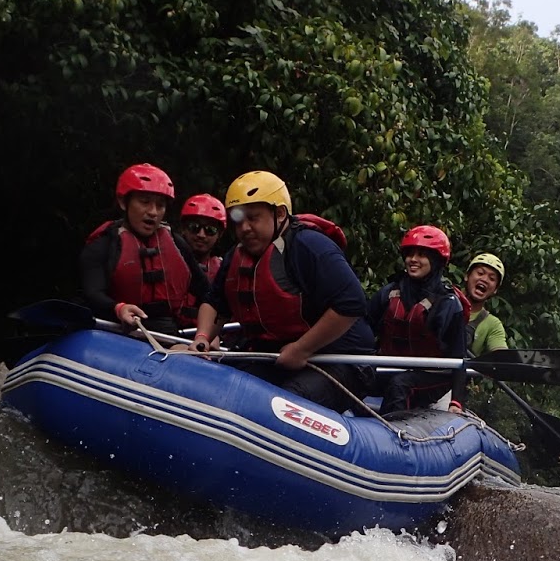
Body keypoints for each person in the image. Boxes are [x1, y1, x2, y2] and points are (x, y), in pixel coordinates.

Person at [193, 170, 375, 413]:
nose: (244, 228)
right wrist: (203, 338)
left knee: (284, 404)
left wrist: (302, 348)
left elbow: (352, 303)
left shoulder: (310, 246)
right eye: (238, 220)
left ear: (279, 213)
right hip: (276, 356)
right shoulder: (237, 256)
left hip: (338, 360)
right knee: (221, 387)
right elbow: (215, 302)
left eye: (253, 218)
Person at [79, 163, 208, 334]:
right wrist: (118, 308)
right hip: (114, 330)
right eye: (145, 202)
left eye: (160, 205)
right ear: (124, 202)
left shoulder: (177, 244)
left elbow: (207, 293)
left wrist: (207, 332)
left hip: (165, 334)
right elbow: (92, 292)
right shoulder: (103, 245)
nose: (153, 212)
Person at [365, 225, 469, 413]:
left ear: (436, 261)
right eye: (410, 254)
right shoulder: (389, 293)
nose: (413, 260)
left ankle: (394, 434)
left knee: (400, 385)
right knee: (358, 374)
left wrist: (456, 402)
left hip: (431, 376)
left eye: (421, 255)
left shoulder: (448, 304)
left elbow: (459, 359)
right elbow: (363, 330)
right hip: (390, 367)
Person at [463, 252, 508, 356]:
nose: (484, 279)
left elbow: (502, 357)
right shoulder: (445, 303)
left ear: (495, 289)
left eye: (492, 278)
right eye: (480, 273)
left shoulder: (493, 324)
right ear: (467, 276)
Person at [178, 194, 227, 282]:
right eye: (194, 227)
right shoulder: (167, 262)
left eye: (210, 230)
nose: (201, 235)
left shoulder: (224, 271)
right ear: (183, 229)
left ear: (220, 234)